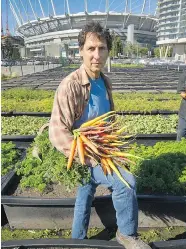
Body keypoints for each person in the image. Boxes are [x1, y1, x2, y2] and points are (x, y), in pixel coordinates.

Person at [49, 21, 151, 249]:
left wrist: (115, 149)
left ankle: (76, 241)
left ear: (108, 51)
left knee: (84, 194)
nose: (97, 55)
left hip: (104, 150)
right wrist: (82, 155)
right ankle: (126, 234)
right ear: (81, 51)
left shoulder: (105, 82)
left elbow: (109, 119)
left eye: (102, 48)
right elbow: (57, 131)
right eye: (91, 48)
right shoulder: (71, 85)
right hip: (83, 153)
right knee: (126, 183)